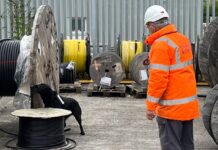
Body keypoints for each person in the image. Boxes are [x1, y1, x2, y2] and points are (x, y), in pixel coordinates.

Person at [144, 5, 200, 150]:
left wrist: (151, 107)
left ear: (152, 25)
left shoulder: (160, 45)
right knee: (187, 145)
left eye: (148, 26)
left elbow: (158, 80)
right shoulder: (183, 40)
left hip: (171, 110)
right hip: (187, 107)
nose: (148, 30)